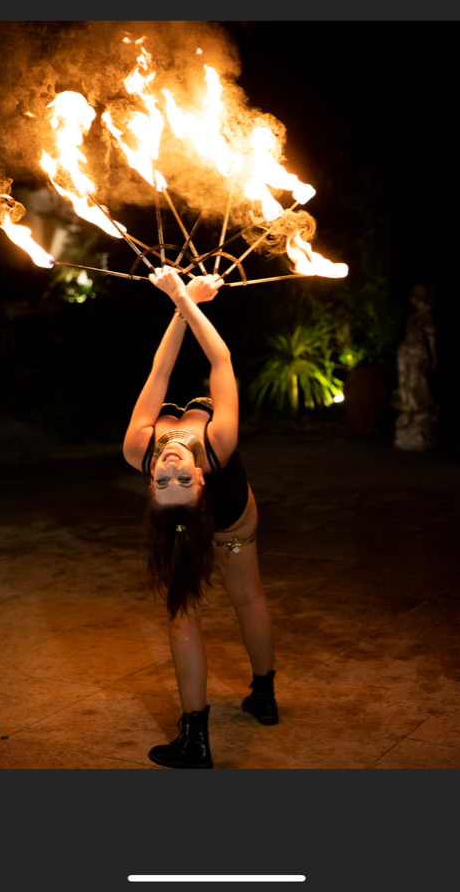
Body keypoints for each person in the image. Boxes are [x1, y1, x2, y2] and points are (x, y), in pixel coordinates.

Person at [123, 265, 278, 769]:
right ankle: (199, 736)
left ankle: (263, 696)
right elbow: (220, 359)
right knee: (211, 603)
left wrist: (182, 302)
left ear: (150, 483)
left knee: (236, 596)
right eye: (181, 480)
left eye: (163, 481)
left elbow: (160, 373)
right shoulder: (218, 444)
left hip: (200, 515)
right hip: (227, 512)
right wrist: (185, 298)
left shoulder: (138, 449)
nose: (171, 470)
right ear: (200, 479)